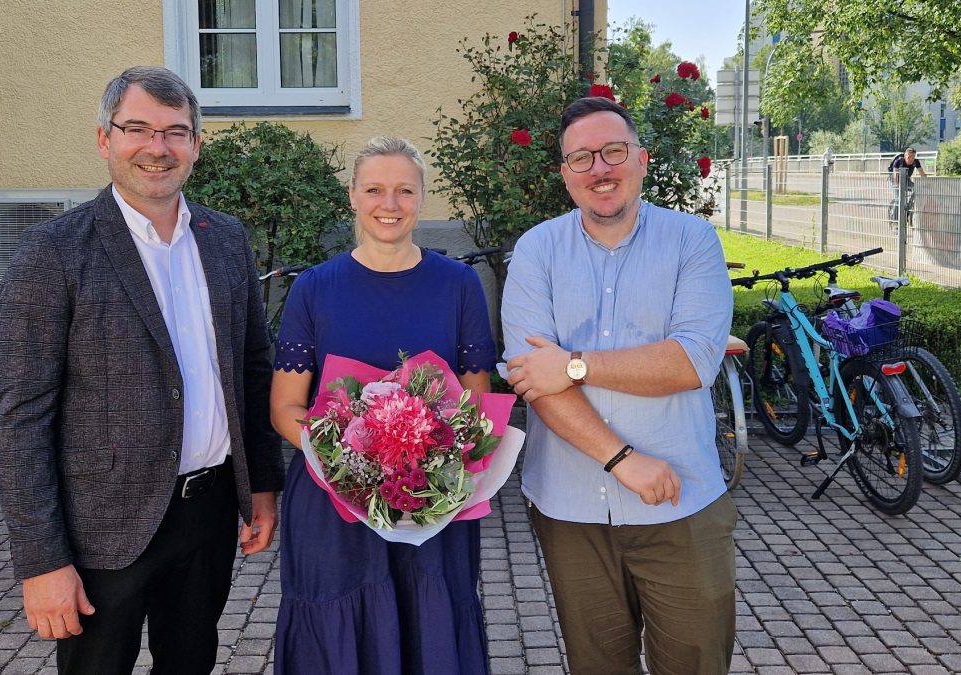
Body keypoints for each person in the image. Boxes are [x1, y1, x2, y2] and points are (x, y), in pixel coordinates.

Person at [0, 66, 283, 675]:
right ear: (105, 139)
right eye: (138, 129)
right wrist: (42, 560)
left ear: (196, 145)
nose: (158, 147)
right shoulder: (54, 252)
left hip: (206, 515)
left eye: (176, 132)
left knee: (190, 665)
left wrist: (261, 485)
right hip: (101, 529)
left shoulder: (226, 240)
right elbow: (20, 417)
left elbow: (253, 369)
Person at [501, 96, 736, 675]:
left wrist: (575, 364)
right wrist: (622, 459)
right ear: (565, 174)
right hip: (570, 507)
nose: (599, 169)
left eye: (613, 152)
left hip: (680, 503)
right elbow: (534, 379)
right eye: (581, 158)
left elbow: (690, 362)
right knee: (596, 667)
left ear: (642, 159)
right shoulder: (536, 251)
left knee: (696, 663)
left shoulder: (693, 241)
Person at [270, 136, 496, 674]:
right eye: (374, 189)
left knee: (430, 628)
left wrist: (423, 466)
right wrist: (350, 468)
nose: (388, 204)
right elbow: (285, 406)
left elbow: (476, 401)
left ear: (422, 198)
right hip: (334, 503)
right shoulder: (314, 289)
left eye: (404, 191)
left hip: (431, 501)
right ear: (352, 195)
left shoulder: (460, 285)